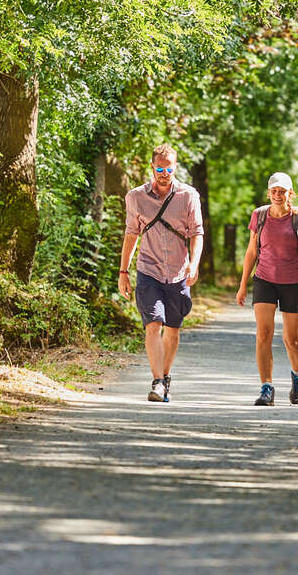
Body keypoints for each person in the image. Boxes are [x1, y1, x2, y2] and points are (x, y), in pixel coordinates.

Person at [118, 143, 203, 403]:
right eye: (160, 168)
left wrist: (194, 263)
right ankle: (156, 381)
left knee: (173, 329)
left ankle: (165, 377)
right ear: (152, 167)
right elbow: (131, 234)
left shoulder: (189, 196)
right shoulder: (135, 197)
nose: (164, 173)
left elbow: (197, 233)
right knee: (153, 324)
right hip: (148, 270)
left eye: (169, 168)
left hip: (178, 272)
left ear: (175, 168)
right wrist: (123, 271)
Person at [236, 172, 298, 406]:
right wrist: (243, 285)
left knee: (291, 339)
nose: (277, 194)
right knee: (263, 334)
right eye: (274, 191)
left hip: (294, 281)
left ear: (290, 193)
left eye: (282, 191)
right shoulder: (259, 215)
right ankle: (266, 388)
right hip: (264, 280)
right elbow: (252, 251)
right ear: (268, 192)